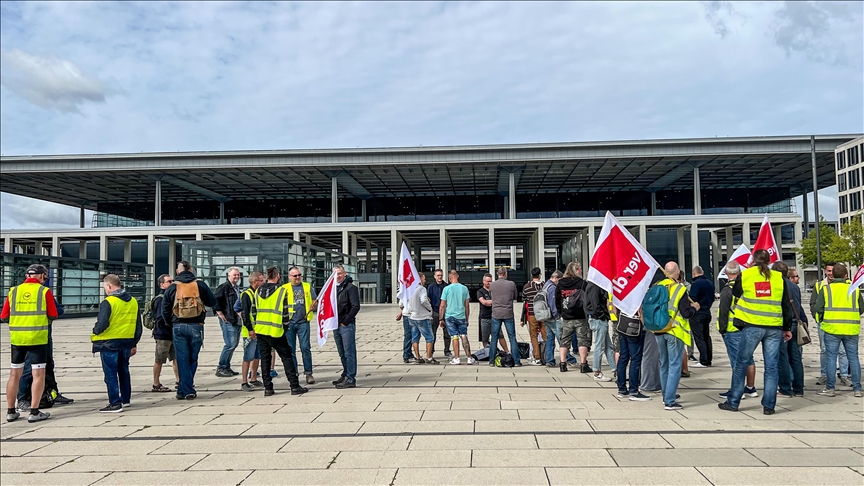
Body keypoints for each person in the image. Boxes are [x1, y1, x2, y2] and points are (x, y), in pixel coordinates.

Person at [719, 250, 794, 415]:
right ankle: (769, 406)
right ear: (769, 261)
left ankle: (733, 402)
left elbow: (736, 293)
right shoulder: (778, 277)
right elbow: (785, 305)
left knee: (741, 363)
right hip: (774, 326)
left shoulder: (746, 275)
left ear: (753, 260)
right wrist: (787, 328)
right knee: (772, 367)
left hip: (752, 325)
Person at [3, 264, 58, 423]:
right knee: (38, 374)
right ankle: (34, 412)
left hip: (17, 339)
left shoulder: (13, 291)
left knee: (14, 374)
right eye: (45, 277)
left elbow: (4, 316)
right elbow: (53, 314)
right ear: (41, 276)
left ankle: (11, 411)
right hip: (37, 338)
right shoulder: (44, 291)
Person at [162, 261, 217, 400]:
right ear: (191, 270)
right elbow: (212, 301)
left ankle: (184, 390)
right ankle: (186, 389)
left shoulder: (172, 287)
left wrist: (170, 323)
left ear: (177, 271)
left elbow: (165, 309)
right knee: (193, 358)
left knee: (182, 359)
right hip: (196, 325)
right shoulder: (200, 285)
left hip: (178, 326)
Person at [249, 267, 307, 396]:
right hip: (276, 330)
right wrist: (285, 328)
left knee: (265, 359)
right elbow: (286, 313)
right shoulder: (281, 291)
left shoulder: (258, 290)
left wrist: (256, 326)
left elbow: (253, 311)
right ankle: (294, 386)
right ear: (278, 276)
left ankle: (268, 388)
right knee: (287, 357)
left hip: (261, 330)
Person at [92, 274, 141, 413]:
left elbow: (102, 323)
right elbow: (138, 325)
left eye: (105, 288)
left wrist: (95, 331)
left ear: (109, 286)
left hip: (109, 343)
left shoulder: (109, 302)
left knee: (111, 374)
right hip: (126, 342)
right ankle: (126, 399)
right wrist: (134, 343)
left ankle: (114, 403)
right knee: (124, 371)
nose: (105, 291)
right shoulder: (133, 301)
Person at [17, 291, 73, 412]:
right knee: (28, 368)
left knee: (48, 364)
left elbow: (58, 310)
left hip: (44, 335)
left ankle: (52, 393)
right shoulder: (18, 293)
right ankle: (22, 399)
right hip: (29, 336)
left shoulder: (44, 293)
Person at [813, 263, 863, 397]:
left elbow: (818, 308)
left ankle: (830, 388)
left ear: (832, 275)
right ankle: (857, 389)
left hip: (832, 329)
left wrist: (823, 318)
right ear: (846, 275)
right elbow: (861, 308)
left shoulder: (826, 289)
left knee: (831, 358)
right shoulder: (855, 290)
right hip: (851, 329)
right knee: (853, 358)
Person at [655, 262, 699, 411]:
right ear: (678, 272)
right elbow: (686, 313)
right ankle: (670, 400)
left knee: (664, 363)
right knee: (675, 365)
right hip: (674, 330)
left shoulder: (658, 286)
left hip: (659, 329)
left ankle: (665, 394)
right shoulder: (680, 289)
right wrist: (695, 308)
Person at [716, 261, 758, 400]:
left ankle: (737, 390)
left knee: (736, 361)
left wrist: (722, 329)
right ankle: (750, 388)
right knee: (749, 359)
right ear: (739, 272)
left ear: (727, 273)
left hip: (732, 330)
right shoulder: (746, 287)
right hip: (747, 327)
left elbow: (723, 311)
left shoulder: (727, 290)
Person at [810, 262, 851, 386]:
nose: (831, 274)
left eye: (833, 271)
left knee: (843, 351)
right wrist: (818, 318)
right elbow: (813, 304)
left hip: (841, 322)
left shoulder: (848, 285)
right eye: (828, 271)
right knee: (824, 350)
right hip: (824, 323)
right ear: (825, 272)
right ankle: (825, 375)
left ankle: (844, 375)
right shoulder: (819, 286)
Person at [283, 266, 318, 385]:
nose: (297, 277)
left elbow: (314, 300)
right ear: (289, 277)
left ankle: (308, 373)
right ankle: (294, 374)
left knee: (305, 348)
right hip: (290, 323)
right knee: (290, 350)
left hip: (303, 322)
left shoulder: (307, 286)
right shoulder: (284, 288)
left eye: (299, 275)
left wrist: (314, 305)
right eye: (295, 276)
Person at [775, 262, 805, 398]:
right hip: (795, 324)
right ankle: (799, 389)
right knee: (796, 358)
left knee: (783, 358)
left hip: (784, 325)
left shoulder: (777, 284)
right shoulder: (794, 286)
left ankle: (785, 389)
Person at [555, 261, 591, 373]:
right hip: (580, 316)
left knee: (564, 340)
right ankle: (583, 364)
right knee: (582, 340)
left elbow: (556, 299)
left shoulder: (560, 283)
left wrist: (561, 312)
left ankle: (562, 363)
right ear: (575, 270)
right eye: (579, 269)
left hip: (566, 316)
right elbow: (587, 299)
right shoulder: (582, 283)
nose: (581, 271)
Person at [333, 265, 361, 388]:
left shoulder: (351, 288)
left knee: (349, 352)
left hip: (346, 325)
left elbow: (355, 306)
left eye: (339, 273)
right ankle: (345, 373)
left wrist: (346, 321)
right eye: (335, 274)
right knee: (342, 352)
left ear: (344, 274)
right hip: (335, 324)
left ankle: (351, 378)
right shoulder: (333, 288)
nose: (338, 276)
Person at [236, 271, 264, 391]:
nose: (263, 282)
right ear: (255, 281)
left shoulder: (258, 293)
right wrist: (250, 329)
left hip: (259, 329)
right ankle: (244, 381)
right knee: (248, 356)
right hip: (250, 331)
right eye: (261, 280)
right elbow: (245, 314)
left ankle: (254, 378)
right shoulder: (246, 294)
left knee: (257, 355)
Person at [543, 271, 576, 369]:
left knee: (549, 339)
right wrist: (557, 315)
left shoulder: (545, 285)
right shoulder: (552, 288)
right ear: (556, 278)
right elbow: (553, 304)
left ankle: (549, 360)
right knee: (561, 338)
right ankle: (569, 358)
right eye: (560, 280)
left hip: (546, 317)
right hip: (553, 318)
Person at [151, 274, 179, 392]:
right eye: (169, 281)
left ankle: (179, 380)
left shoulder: (170, 297)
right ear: (162, 284)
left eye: (172, 281)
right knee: (159, 359)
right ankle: (156, 383)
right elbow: (159, 317)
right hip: (162, 334)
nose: (172, 283)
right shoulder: (160, 299)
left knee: (176, 358)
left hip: (172, 333)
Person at [489, 266, 521, 367]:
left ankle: (491, 361)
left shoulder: (492, 285)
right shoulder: (511, 284)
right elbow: (515, 296)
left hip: (496, 313)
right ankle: (516, 361)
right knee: (512, 337)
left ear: (497, 274)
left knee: (494, 338)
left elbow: (491, 296)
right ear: (506, 274)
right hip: (508, 313)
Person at [615, 309, 650, 401]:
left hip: (623, 324)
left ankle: (622, 389)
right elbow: (640, 311)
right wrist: (645, 325)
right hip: (635, 327)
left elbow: (615, 308)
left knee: (623, 358)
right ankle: (634, 391)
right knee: (635, 359)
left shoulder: (624, 295)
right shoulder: (637, 295)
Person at [214, 267, 243, 377]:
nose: (236, 276)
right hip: (228, 319)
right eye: (234, 275)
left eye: (238, 274)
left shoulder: (235, 288)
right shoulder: (224, 287)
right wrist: (219, 312)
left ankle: (226, 366)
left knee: (234, 344)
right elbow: (215, 299)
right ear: (228, 276)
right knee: (230, 344)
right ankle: (221, 367)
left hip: (236, 320)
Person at [441, 270, 473, 365]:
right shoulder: (464, 288)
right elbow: (467, 305)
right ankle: (469, 358)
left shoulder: (446, 289)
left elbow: (442, 305)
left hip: (450, 316)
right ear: (457, 277)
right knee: (463, 335)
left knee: (454, 337)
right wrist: (467, 318)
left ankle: (457, 358)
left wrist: (441, 318)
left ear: (450, 278)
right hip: (461, 316)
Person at [586, 281, 615, 381]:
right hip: (598, 319)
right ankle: (597, 372)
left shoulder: (594, 285)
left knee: (608, 346)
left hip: (600, 318)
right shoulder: (594, 286)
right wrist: (602, 315)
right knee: (600, 346)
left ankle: (615, 370)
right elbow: (595, 304)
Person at [688, 266, 715, 368]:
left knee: (699, 337)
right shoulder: (710, 283)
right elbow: (712, 298)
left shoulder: (695, 284)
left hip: (698, 314)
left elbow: (692, 299)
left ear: (694, 274)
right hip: (707, 312)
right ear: (702, 272)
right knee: (706, 336)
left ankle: (703, 360)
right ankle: (708, 359)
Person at [408, 273, 437, 364]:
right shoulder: (422, 289)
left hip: (413, 316)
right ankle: (429, 358)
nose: (425, 281)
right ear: (419, 279)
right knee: (429, 337)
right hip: (422, 317)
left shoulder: (410, 289)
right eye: (424, 279)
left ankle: (418, 357)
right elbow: (424, 300)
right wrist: (429, 308)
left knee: (415, 338)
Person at [520, 267, 546, 365]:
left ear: (532, 275)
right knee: (545, 336)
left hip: (532, 313)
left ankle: (537, 357)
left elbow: (524, 298)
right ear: (540, 275)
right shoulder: (544, 285)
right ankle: (546, 356)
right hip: (544, 314)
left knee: (534, 336)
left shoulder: (527, 286)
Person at [477, 274, 508, 353]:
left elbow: (501, 300)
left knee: (500, 335)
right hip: (484, 317)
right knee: (485, 338)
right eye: (487, 281)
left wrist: (491, 302)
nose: (489, 283)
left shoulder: (494, 291)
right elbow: (484, 302)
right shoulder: (480, 291)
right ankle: (487, 353)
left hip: (495, 317)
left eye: (491, 281)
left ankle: (507, 351)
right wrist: (495, 301)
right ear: (483, 281)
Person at [427, 269, 451, 357]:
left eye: (441, 275)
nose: (439, 277)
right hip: (435, 312)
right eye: (438, 275)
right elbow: (428, 299)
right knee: (432, 333)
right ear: (434, 276)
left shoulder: (447, 286)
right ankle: (431, 350)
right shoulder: (431, 287)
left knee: (447, 333)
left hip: (446, 312)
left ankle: (447, 350)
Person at [396, 296, 413, 364]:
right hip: (413, 314)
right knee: (411, 335)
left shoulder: (405, 291)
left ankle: (408, 353)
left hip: (406, 314)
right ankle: (406, 354)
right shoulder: (418, 289)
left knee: (408, 335)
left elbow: (401, 304)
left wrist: (403, 311)